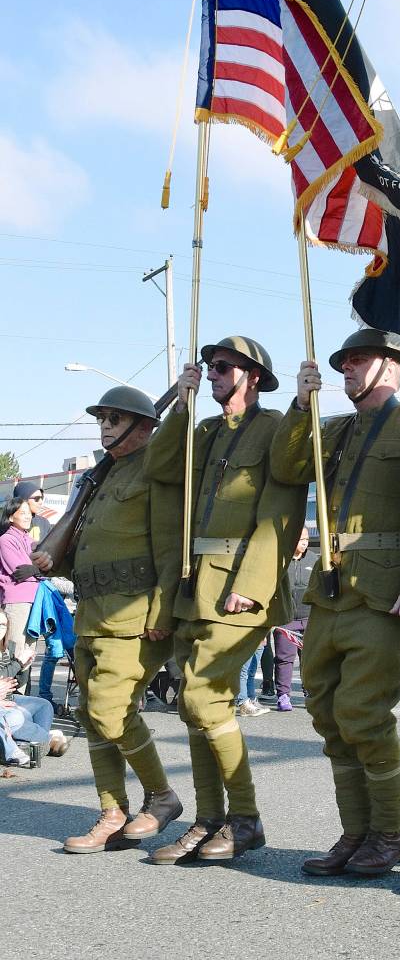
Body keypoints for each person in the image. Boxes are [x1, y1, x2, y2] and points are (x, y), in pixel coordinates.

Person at [270, 329, 400, 877]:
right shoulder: (337, 428)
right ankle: (356, 833)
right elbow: (286, 467)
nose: (346, 370)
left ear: (393, 368)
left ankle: (388, 834)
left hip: (385, 591)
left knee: (363, 714)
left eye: (359, 361)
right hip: (330, 589)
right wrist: (300, 407)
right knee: (325, 713)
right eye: (343, 362)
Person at [144, 336, 306, 864]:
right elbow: (162, 467)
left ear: (252, 376)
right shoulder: (207, 431)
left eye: (221, 367)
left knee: (201, 696)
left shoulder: (276, 428)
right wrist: (182, 404)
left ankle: (245, 818)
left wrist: (253, 585)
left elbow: (281, 509)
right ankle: (209, 819)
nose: (212, 373)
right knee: (195, 708)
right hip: (196, 583)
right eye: (209, 366)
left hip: (240, 585)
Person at [34, 387, 184, 853]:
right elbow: (87, 546)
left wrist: (163, 609)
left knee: (108, 708)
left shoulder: (156, 468)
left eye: (115, 418)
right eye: (102, 418)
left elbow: (169, 545)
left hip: (136, 614)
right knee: (89, 713)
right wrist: (47, 560)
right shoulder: (101, 478)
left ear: (145, 426)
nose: (104, 426)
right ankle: (113, 812)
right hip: (94, 611)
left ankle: (161, 796)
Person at [273, 526, 318, 712]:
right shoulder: (280, 560)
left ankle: (310, 691)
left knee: (310, 658)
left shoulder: (314, 559)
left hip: (310, 618)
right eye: (301, 539)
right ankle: (283, 695)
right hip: (286, 619)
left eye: (306, 539)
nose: (304, 543)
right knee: (284, 658)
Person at [0, 496, 40, 692]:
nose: (27, 516)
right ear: (10, 517)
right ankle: (13, 699)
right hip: (16, 602)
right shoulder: (6, 539)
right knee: (15, 652)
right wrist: (38, 570)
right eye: (22, 513)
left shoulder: (30, 540)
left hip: (34, 601)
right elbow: (19, 571)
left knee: (29, 653)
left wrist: (36, 570)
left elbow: (45, 566)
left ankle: (25, 699)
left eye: (29, 513)